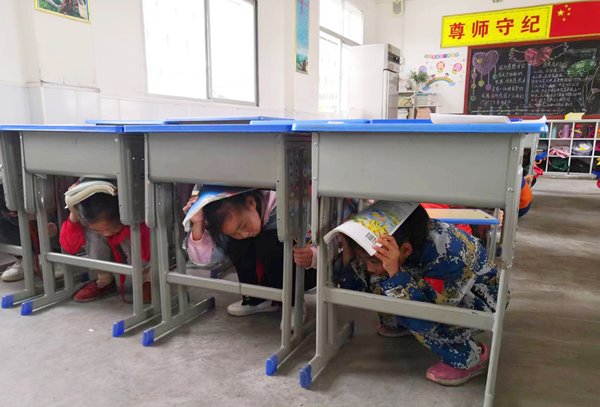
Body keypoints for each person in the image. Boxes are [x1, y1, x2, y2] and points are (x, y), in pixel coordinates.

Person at [332, 204, 502, 386]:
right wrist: (348, 254)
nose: (369, 268)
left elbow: (431, 316)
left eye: (373, 261)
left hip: (480, 300)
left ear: (406, 250)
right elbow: (357, 289)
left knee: (413, 307)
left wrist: (396, 275)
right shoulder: (393, 245)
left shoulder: (446, 256)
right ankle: (400, 324)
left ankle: (467, 357)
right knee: (382, 278)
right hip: (436, 282)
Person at [184, 188, 316, 317]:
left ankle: (293, 303)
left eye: (243, 225)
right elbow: (205, 257)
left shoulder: (288, 202)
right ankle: (257, 299)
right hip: (272, 270)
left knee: (270, 241)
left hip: (307, 269)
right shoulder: (226, 216)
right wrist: (198, 223)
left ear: (251, 202)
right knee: (236, 243)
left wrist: (313, 253)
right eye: (234, 232)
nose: (243, 234)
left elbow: (320, 237)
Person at [60, 187, 152, 303]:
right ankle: (104, 279)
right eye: (98, 230)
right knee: (90, 232)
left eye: (112, 227)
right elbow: (70, 247)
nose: (107, 234)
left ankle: (147, 279)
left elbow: (147, 250)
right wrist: (74, 214)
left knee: (137, 231)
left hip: (130, 228)